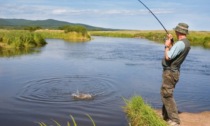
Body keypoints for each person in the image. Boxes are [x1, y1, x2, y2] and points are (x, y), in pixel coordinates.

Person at [161, 23, 191, 126]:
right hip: (174, 72)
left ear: (178, 31)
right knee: (165, 93)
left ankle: (174, 121)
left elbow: (168, 57)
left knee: (167, 95)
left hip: (170, 72)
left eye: (176, 30)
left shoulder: (180, 44)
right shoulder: (185, 43)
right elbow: (176, 52)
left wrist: (166, 46)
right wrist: (172, 41)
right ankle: (165, 116)